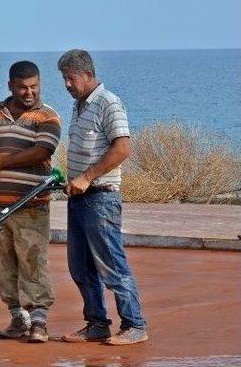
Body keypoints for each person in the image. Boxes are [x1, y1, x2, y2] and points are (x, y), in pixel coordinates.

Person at [0, 61, 61, 343]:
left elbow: (43, 150)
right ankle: (18, 317)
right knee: (1, 261)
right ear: (10, 86)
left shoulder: (47, 117)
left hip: (30, 205)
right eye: (22, 87)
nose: (29, 92)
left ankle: (39, 319)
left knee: (32, 260)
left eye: (34, 87)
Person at [58, 49, 148, 345]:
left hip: (101, 198)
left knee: (111, 263)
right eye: (64, 79)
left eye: (70, 78)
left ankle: (135, 325)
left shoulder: (109, 102)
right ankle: (97, 323)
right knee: (80, 265)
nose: (67, 85)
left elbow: (122, 149)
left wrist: (86, 177)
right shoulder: (80, 105)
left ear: (87, 74)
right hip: (79, 199)